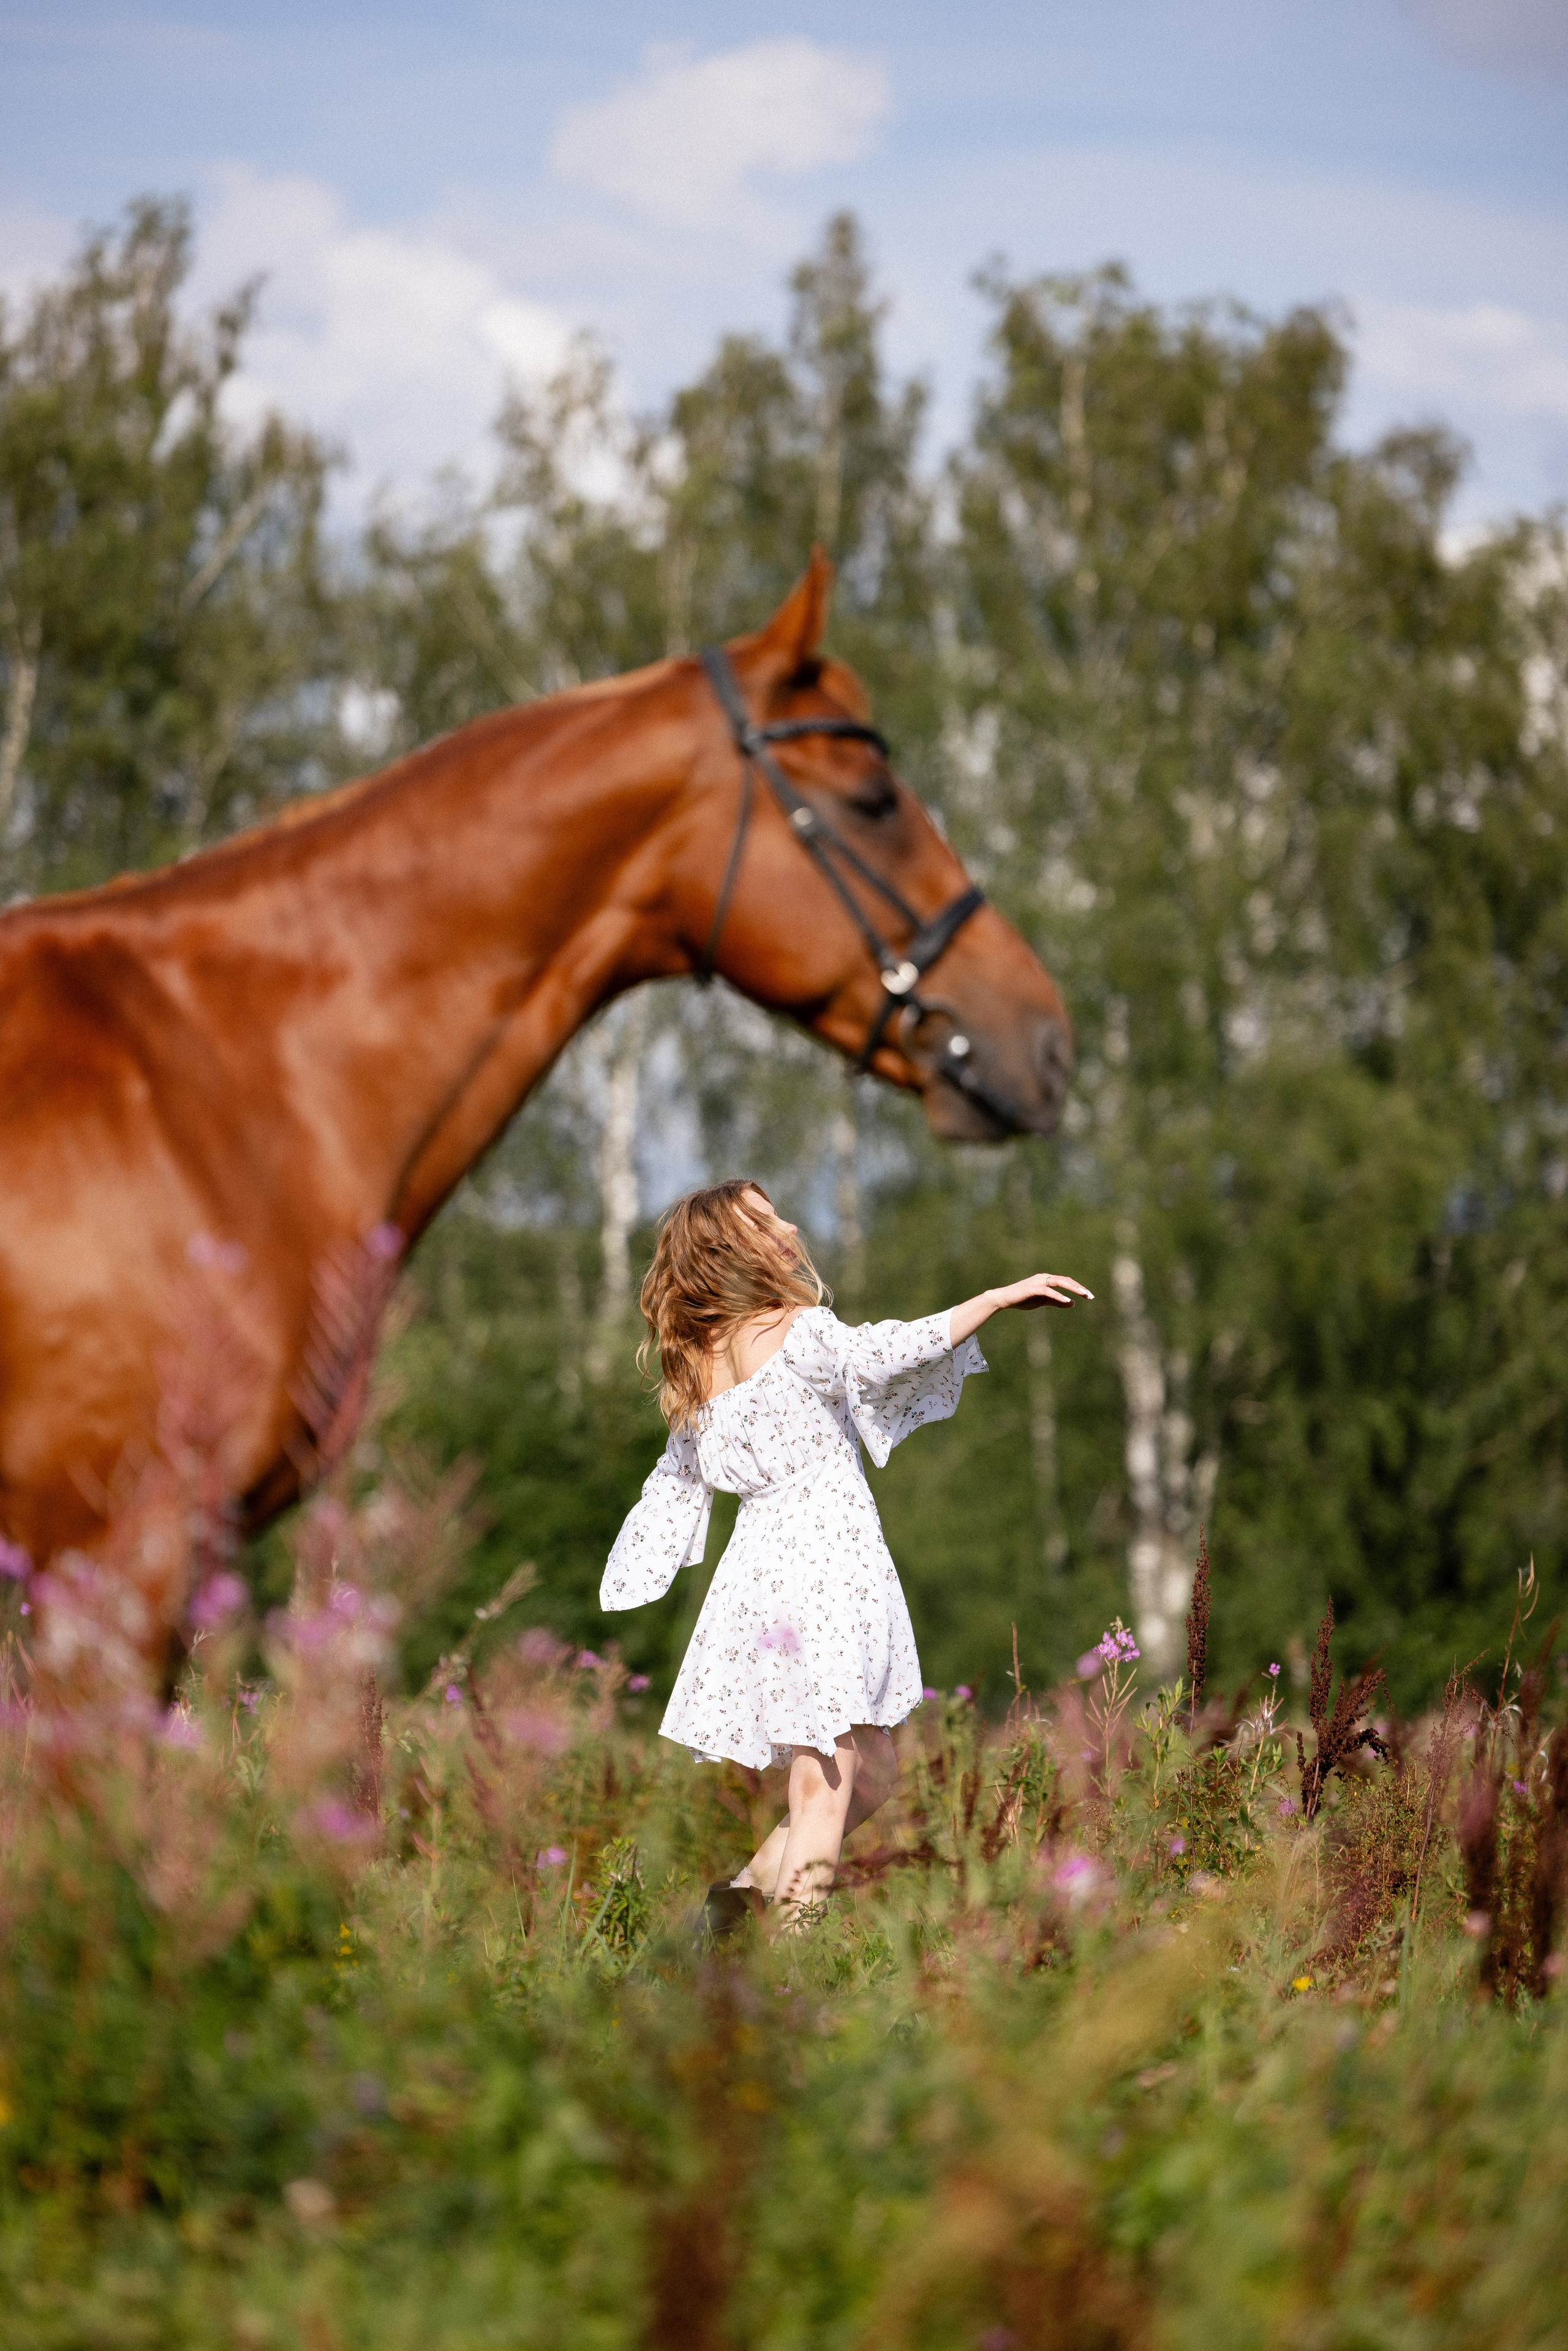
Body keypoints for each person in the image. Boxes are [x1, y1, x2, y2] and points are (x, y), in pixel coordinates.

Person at [600, 1178, 1091, 1926]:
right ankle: (788, 1987)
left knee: (872, 1775)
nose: (791, 1225)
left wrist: (637, 1570)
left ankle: (722, 1921)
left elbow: (673, 1482)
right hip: (822, 1568)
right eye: (768, 1221)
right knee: (825, 1785)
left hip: (758, 1579)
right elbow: (882, 1351)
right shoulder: (796, 1329)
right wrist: (992, 1299)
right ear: (734, 1249)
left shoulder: (698, 1366)